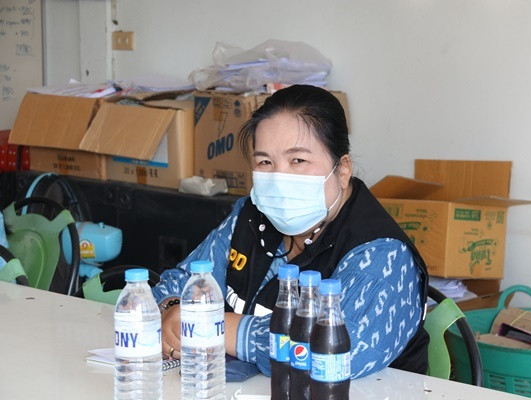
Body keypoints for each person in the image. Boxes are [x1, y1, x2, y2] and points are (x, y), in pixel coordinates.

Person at [152, 84, 430, 378]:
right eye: (265, 162)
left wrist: (213, 326)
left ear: (343, 169)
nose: (278, 178)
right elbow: (181, 283)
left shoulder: (382, 253)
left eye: (298, 160)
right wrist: (172, 310)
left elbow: (331, 352)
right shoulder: (250, 216)